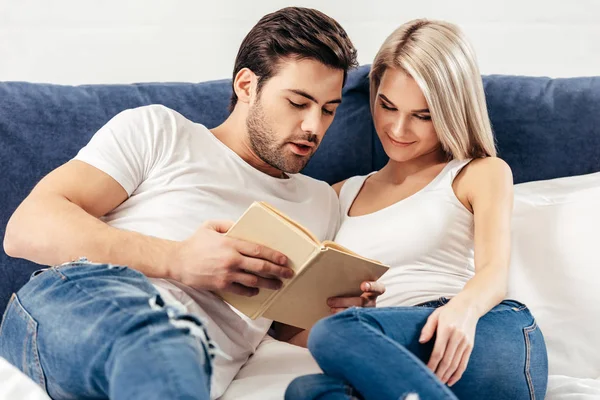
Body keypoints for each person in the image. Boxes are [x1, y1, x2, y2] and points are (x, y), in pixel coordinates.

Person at [0, 7, 385, 400]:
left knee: (176, 353)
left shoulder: (321, 200)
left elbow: (283, 330)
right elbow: (27, 227)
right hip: (85, 304)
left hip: (194, 360)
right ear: (247, 86)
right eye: (298, 103)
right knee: (159, 341)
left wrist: (337, 315)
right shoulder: (161, 131)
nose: (313, 127)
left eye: (328, 110)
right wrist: (179, 259)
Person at [285, 19, 548, 400]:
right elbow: (302, 325)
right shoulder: (340, 195)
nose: (398, 128)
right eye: (387, 106)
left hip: (484, 334)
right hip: (392, 344)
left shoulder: (478, 172)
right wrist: (363, 314)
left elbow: (494, 272)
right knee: (307, 392)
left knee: (335, 334)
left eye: (422, 115)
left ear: (451, 110)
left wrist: (463, 311)